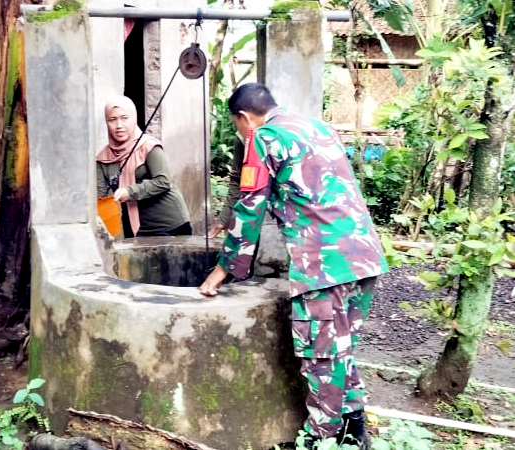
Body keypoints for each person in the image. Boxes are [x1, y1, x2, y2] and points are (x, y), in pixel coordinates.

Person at [199, 83, 388, 449]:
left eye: (238, 126)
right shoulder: (318, 127)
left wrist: (225, 268)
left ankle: (322, 441)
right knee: (340, 347)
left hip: (322, 264)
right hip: (363, 255)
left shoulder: (263, 138)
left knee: (319, 355)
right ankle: (354, 434)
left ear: (244, 117)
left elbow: (251, 206)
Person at [96, 95, 191, 238]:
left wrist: (130, 192)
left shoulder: (148, 146)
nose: (119, 125)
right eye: (112, 120)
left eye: (124, 118)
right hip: (135, 229)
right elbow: (99, 198)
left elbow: (163, 181)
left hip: (169, 224)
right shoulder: (103, 158)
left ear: (134, 118)